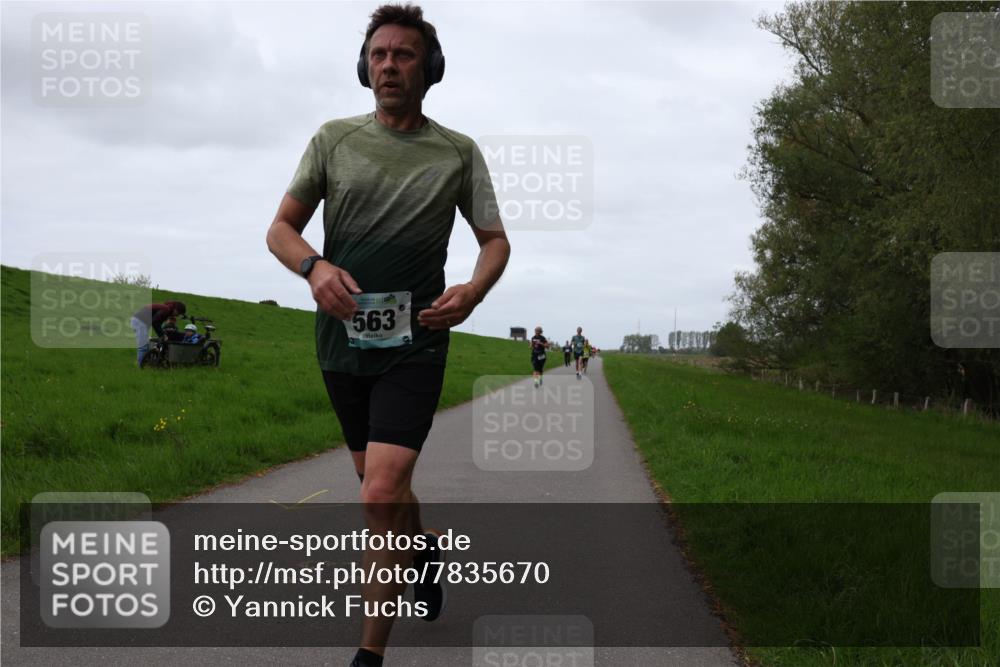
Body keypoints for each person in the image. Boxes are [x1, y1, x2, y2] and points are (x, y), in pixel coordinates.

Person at [265, 5, 509, 666]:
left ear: (428, 69)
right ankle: (423, 546)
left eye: (403, 54)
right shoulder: (332, 139)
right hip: (342, 342)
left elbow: (494, 241)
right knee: (382, 484)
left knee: (377, 493)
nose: (389, 65)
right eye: (378, 54)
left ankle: (369, 655)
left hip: (417, 340)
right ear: (364, 66)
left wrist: (473, 290)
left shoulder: (457, 152)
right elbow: (280, 230)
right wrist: (313, 267)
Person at [130, 301, 185, 367]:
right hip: (140, 322)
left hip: (140, 321)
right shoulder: (166, 309)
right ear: (176, 310)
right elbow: (155, 322)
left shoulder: (166, 309)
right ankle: (141, 366)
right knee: (143, 347)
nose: (178, 315)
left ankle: (144, 363)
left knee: (146, 346)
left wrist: (162, 334)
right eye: (179, 313)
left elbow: (158, 323)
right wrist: (162, 335)